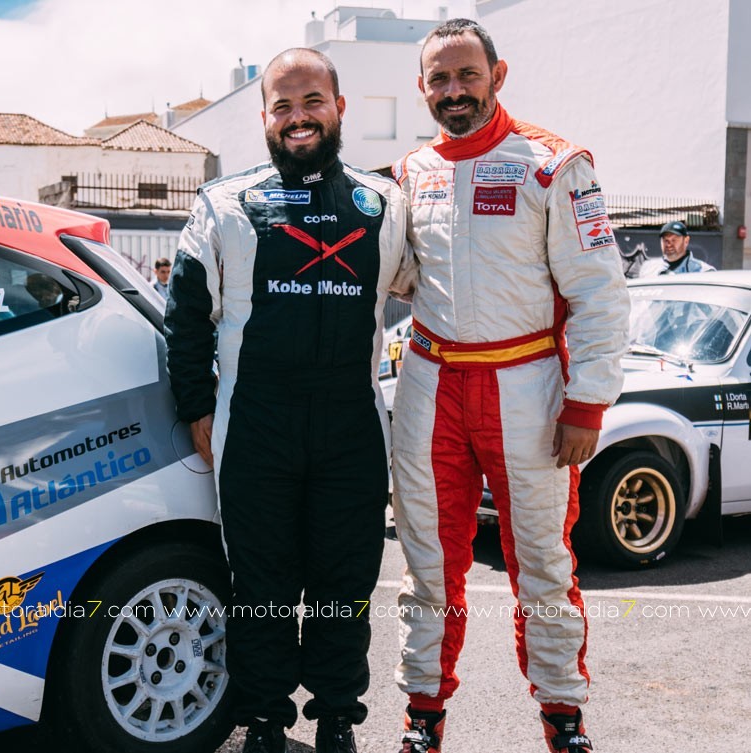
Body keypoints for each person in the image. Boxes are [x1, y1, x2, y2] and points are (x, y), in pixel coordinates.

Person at [389, 19, 630, 753]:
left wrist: (586, 401)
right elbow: (399, 277)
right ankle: (422, 718)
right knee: (428, 564)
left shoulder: (554, 164)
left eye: (467, 76)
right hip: (430, 386)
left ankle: (564, 719)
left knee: (545, 566)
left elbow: (600, 292)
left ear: (498, 74)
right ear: (422, 88)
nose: (454, 92)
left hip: (528, 388)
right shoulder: (409, 173)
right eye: (440, 79)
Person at [164, 47, 410, 753]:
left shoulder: (385, 204)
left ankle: (337, 717)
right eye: (283, 105)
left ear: (339, 107)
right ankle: (265, 720)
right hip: (257, 430)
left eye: (312, 102)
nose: (298, 118)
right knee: (263, 587)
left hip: (351, 428)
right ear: (264, 115)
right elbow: (186, 315)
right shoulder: (223, 202)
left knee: (344, 583)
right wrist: (199, 408)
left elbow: (430, 292)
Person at [639, 220, 717, 275]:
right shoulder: (648, 268)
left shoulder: (703, 272)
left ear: (686, 241)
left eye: (674, 240)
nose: (669, 244)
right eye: (665, 240)